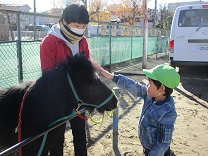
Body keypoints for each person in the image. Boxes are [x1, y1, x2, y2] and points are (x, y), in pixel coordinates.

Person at [40, 3, 90, 156]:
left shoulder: (82, 41)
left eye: (83, 26)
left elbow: (87, 67)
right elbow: (47, 74)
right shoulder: (50, 42)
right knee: (57, 139)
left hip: (78, 99)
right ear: (64, 22)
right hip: (58, 100)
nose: (80, 29)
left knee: (80, 135)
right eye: (77, 25)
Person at [99, 64, 180, 156]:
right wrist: (113, 77)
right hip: (147, 148)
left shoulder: (168, 113)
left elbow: (163, 144)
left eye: (150, 82)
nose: (147, 84)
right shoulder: (149, 95)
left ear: (162, 88)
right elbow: (133, 86)